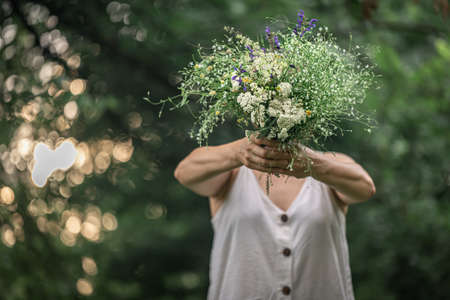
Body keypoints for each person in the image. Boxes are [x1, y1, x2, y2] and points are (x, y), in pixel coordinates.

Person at [174, 135, 376, 300]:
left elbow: (365, 188)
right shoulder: (230, 171)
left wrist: (312, 164)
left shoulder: (329, 165)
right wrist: (238, 151)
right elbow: (184, 172)